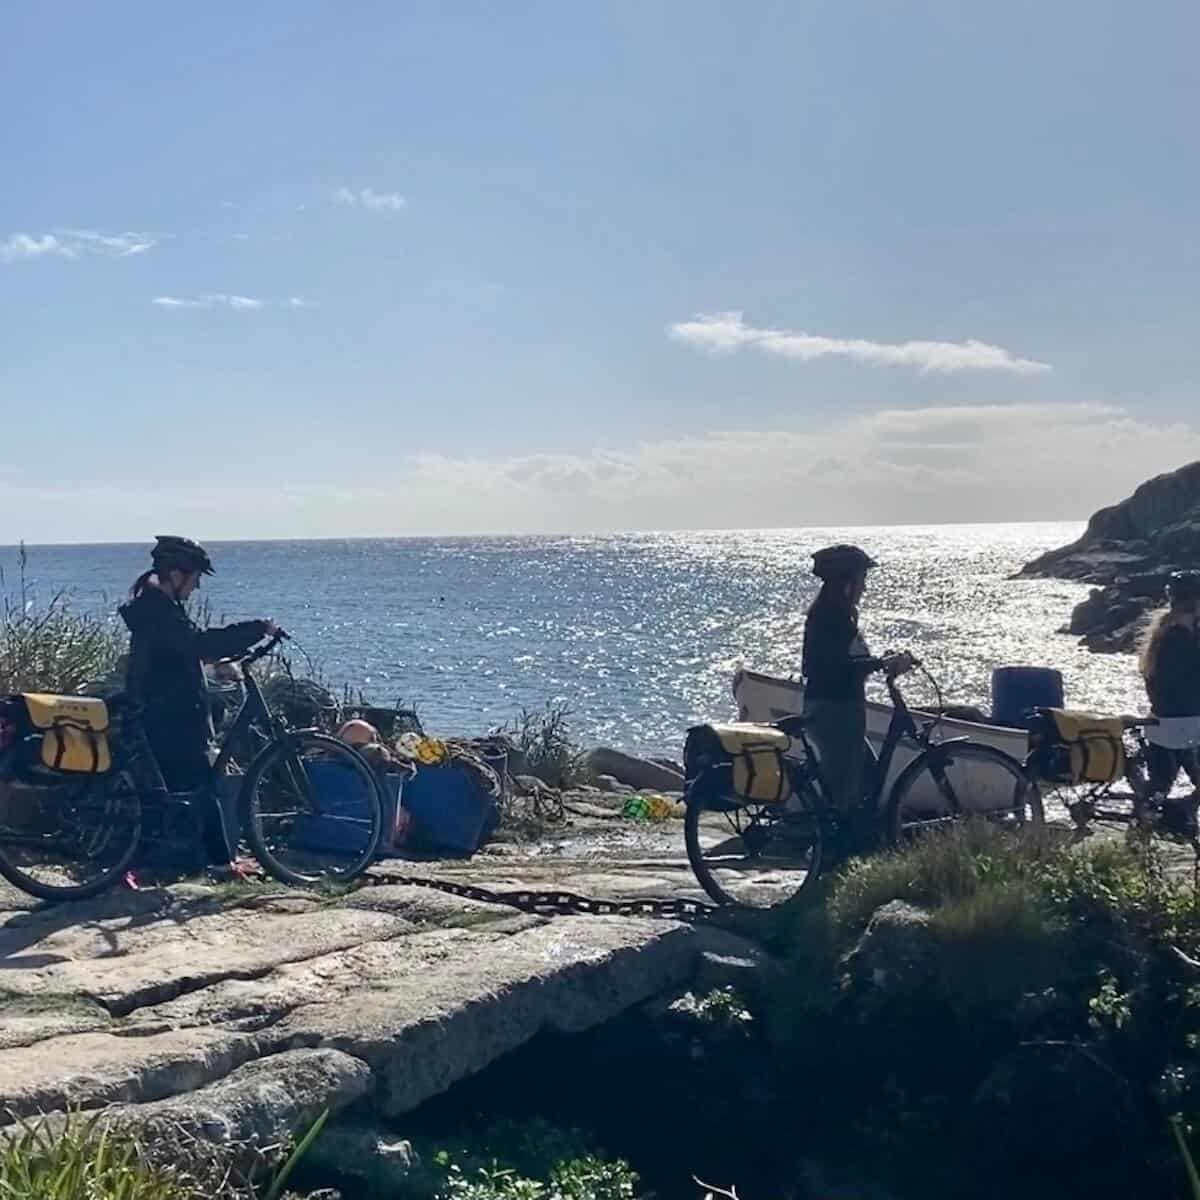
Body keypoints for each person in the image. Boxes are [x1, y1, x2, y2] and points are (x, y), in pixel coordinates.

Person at [119, 536, 275, 860]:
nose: (197, 587)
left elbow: (184, 650)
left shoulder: (158, 609)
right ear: (176, 575)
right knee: (198, 786)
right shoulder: (157, 613)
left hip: (168, 712)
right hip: (166, 716)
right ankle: (218, 862)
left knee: (189, 788)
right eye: (196, 578)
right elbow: (197, 645)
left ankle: (211, 861)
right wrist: (255, 629)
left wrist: (224, 654)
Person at [801, 544, 914, 843]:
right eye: (861, 579)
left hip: (841, 706)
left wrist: (882, 660)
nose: (864, 586)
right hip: (833, 709)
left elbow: (852, 657)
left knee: (864, 777)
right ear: (846, 582)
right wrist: (880, 663)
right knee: (843, 789)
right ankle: (828, 855)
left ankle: (851, 847)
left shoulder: (842, 613)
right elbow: (837, 665)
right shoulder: (829, 616)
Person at [1137, 569, 1200, 834]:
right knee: (1163, 787)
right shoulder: (1180, 640)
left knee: (1158, 787)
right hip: (1185, 725)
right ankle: (1182, 809)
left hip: (1165, 723)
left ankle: (1141, 833)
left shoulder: (1165, 634)